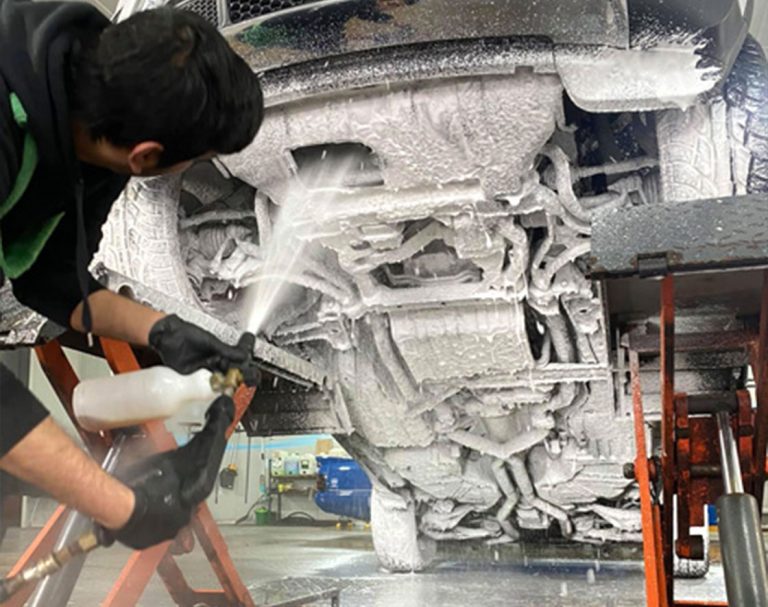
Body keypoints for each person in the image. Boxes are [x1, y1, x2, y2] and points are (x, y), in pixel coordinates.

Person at [0, 0, 264, 549]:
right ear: (145, 157)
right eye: (195, 159)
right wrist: (122, 507)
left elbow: (51, 282)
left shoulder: (89, 122)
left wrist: (163, 329)